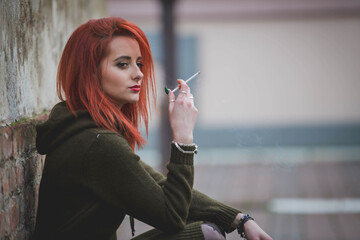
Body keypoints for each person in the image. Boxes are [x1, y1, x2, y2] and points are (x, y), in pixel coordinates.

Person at [33, 17, 272, 240]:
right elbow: (172, 216)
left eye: (139, 64)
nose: (138, 74)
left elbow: (157, 186)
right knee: (205, 235)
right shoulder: (98, 144)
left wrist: (239, 219)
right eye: (123, 64)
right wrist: (183, 138)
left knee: (206, 229)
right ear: (89, 73)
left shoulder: (87, 132)